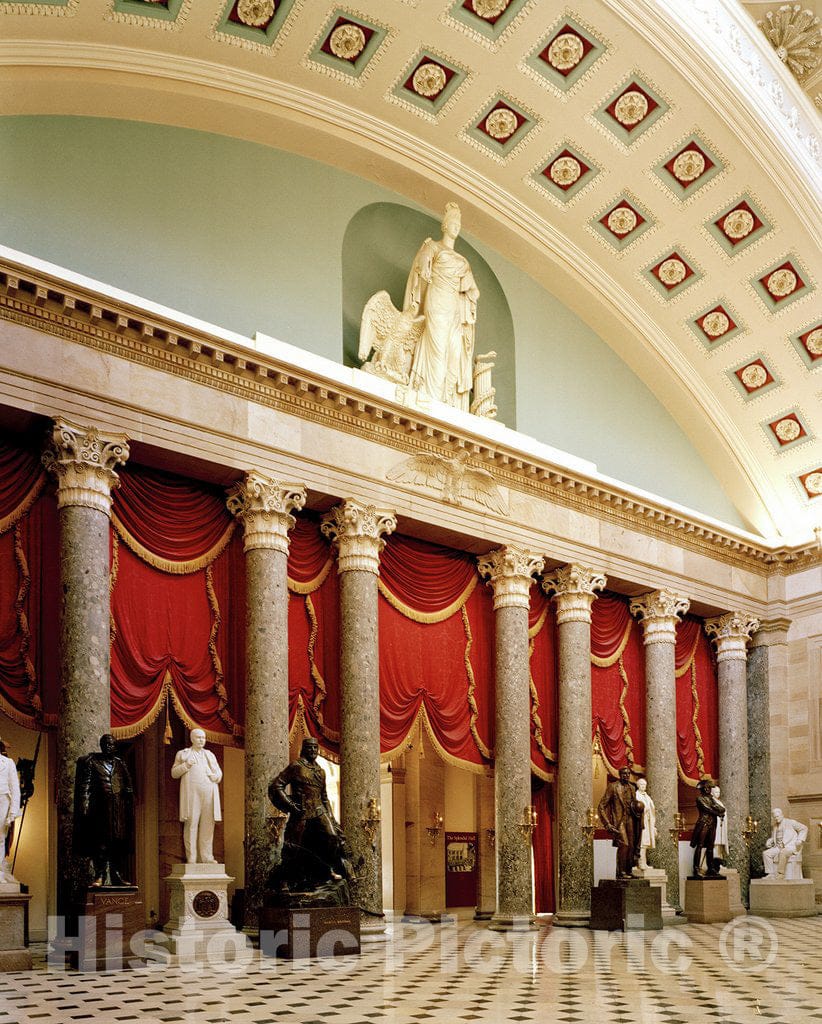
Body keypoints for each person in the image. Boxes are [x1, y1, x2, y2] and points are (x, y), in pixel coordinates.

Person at [405, 203, 480, 412]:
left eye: (458, 224)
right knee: (437, 348)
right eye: (453, 223)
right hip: (437, 300)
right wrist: (425, 266)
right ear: (445, 226)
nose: (456, 227)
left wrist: (469, 294)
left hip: (455, 309)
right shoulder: (433, 247)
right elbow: (421, 265)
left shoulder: (463, 261)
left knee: (454, 353)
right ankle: (431, 398)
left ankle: (448, 402)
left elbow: (474, 290)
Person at [268, 737, 352, 894]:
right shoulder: (296, 766)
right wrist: (291, 806)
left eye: (315, 748)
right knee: (294, 847)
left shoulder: (321, 771)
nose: (313, 750)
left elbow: (324, 796)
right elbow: (276, 785)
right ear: (303, 749)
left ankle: (324, 872)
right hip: (302, 812)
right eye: (309, 747)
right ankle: (286, 880)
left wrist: (332, 818)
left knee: (332, 838)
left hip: (319, 810)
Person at [74, 734, 134, 887]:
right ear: (101, 746)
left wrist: (127, 795)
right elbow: (85, 787)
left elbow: (128, 785)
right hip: (100, 808)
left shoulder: (120, 764)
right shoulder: (92, 762)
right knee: (101, 842)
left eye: (111, 744)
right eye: (106, 744)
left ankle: (116, 874)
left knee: (118, 842)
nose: (109, 746)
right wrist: (84, 806)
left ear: (115, 746)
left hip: (118, 809)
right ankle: (99, 874)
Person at [171, 727, 222, 864]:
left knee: (208, 825)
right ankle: (192, 856)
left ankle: (206, 856)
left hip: (209, 792)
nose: (201, 740)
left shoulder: (210, 755)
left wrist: (215, 776)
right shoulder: (183, 754)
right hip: (192, 793)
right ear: (192, 738)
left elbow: (218, 773)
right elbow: (174, 773)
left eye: (203, 738)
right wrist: (186, 765)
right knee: (191, 823)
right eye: (199, 737)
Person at [598, 766, 644, 878]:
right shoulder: (613, 787)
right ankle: (621, 872)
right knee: (624, 844)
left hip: (631, 819)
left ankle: (628, 870)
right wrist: (607, 824)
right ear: (619, 774)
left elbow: (634, 804)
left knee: (632, 846)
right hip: (619, 821)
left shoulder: (632, 788)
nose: (626, 775)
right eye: (624, 773)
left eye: (628, 773)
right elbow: (601, 806)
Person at [690, 778, 725, 877]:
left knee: (710, 847)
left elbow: (722, 808)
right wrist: (718, 813)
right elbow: (707, 809)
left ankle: (711, 868)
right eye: (708, 788)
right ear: (704, 789)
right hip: (703, 823)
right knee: (700, 845)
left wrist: (718, 810)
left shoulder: (711, 799)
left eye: (710, 788)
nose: (709, 790)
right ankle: (696, 868)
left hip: (712, 824)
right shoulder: (700, 799)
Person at [763, 808, 807, 879]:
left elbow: (804, 828)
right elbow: (775, 837)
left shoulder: (791, 822)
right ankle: (771, 873)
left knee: (783, 852)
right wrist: (770, 841)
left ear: (782, 815)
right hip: (778, 847)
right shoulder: (775, 826)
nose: (776, 818)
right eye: (774, 817)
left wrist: (800, 840)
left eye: (777, 816)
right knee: (766, 853)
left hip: (790, 846)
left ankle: (781, 874)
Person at [0, 738, 21, 884]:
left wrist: (13, 812)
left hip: (3, 800)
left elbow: (15, 789)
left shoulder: (8, 763)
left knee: (1, 837)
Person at [634, 777, 657, 872]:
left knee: (646, 843)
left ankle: (644, 862)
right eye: (642, 785)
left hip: (648, 821)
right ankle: (640, 862)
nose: (644, 787)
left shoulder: (647, 797)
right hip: (640, 822)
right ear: (638, 786)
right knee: (642, 842)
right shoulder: (636, 796)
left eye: (645, 785)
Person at [711, 784, 728, 866]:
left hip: (721, 826)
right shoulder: (711, 801)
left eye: (719, 792)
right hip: (715, 826)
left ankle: (719, 864)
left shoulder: (719, 802)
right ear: (712, 793)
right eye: (716, 792)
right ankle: (714, 864)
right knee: (715, 845)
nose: (718, 794)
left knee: (720, 847)